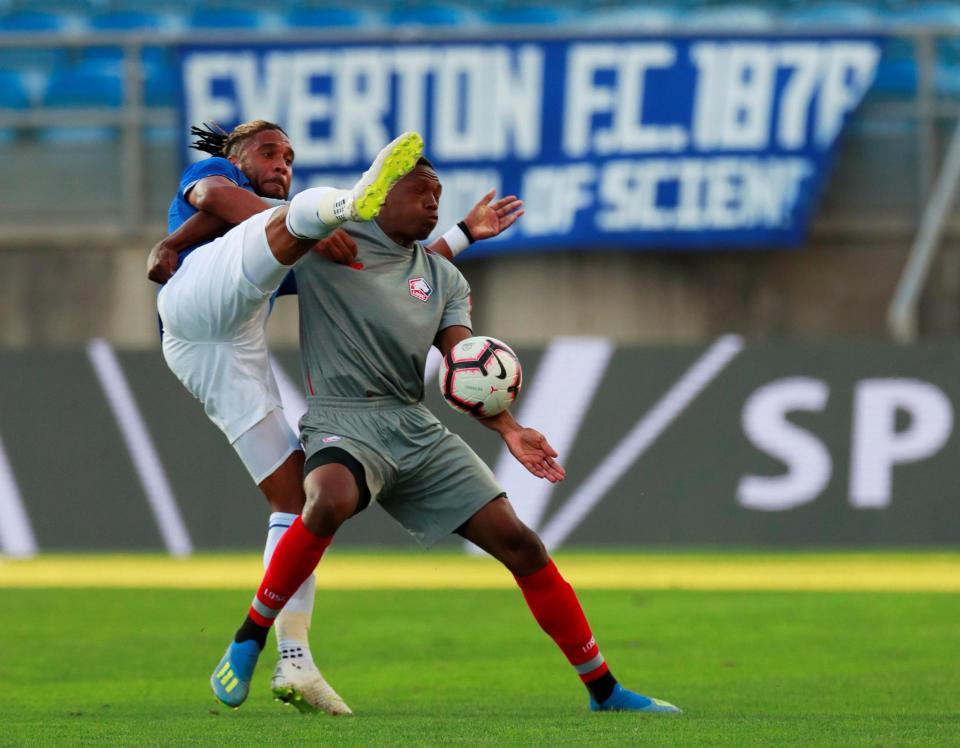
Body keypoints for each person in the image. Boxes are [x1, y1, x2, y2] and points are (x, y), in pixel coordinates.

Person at [208, 157, 682, 715]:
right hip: (343, 418)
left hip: (414, 426)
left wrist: (510, 426)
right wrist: (199, 237)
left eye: (439, 195)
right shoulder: (332, 239)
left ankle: (605, 690)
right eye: (422, 191)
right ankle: (249, 638)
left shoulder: (444, 279)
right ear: (381, 196)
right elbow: (241, 214)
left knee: (522, 544)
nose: (434, 202)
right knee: (328, 498)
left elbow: (465, 367)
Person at [153, 122, 523, 715]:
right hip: (192, 299)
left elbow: (388, 276)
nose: (281, 162)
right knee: (300, 214)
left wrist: (461, 235)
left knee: (294, 501)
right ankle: (351, 199)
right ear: (237, 154)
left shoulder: (287, 232)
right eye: (269, 152)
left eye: (290, 156)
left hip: (219, 350)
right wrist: (322, 224)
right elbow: (219, 203)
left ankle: (292, 658)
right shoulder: (216, 176)